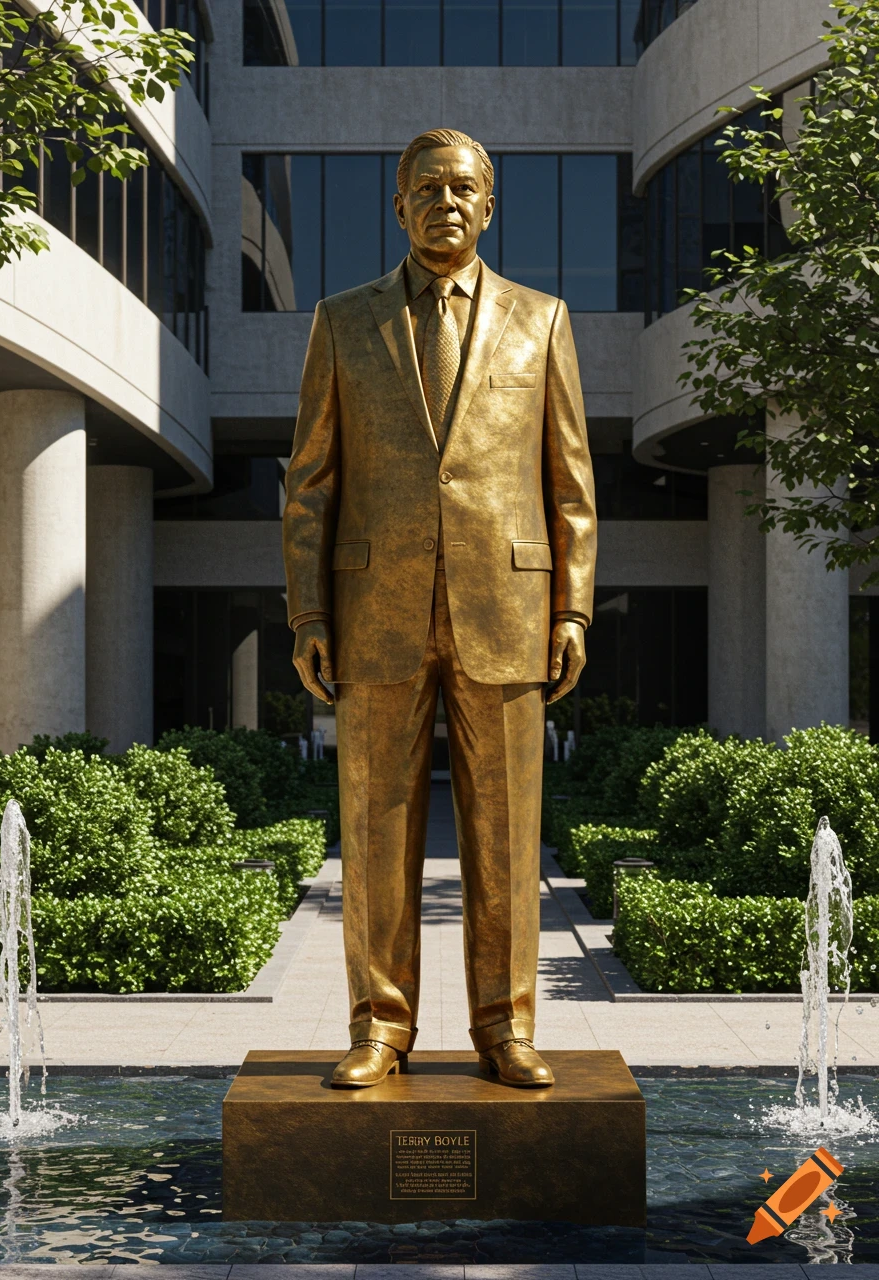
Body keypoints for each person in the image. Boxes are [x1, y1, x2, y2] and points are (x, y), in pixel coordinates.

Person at [283, 128, 597, 1088]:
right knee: (376, 831)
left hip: (506, 609)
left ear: (489, 207)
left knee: (506, 834)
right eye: (427, 189)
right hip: (374, 608)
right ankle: (381, 1026)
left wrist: (573, 609)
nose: (446, 204)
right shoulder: (343, 323)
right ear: (398, 206)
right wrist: (307, 614)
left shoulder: (542, 321)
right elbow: (310, 486)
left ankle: (506, 1030)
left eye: (464, 189)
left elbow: (571, 482)